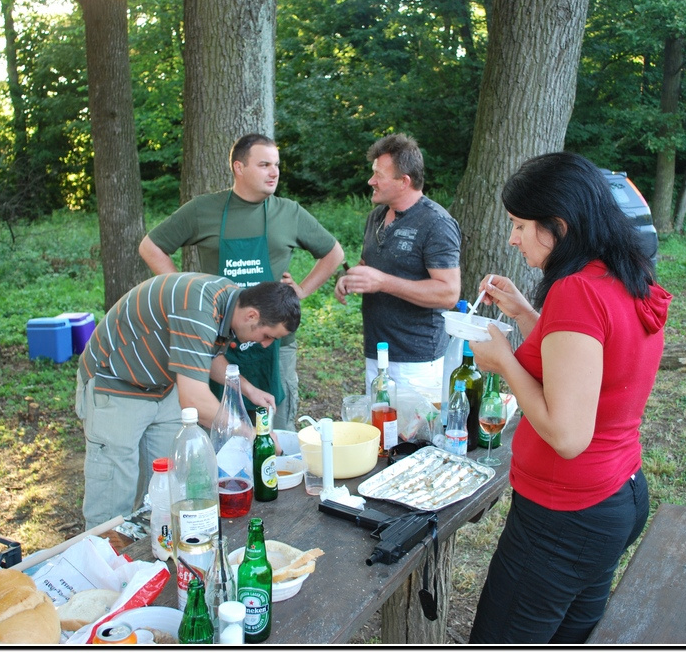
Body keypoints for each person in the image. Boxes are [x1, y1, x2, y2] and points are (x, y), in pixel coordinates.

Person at [466, 152, 672, 644]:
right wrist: (522, 312)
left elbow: (567, 435)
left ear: (558, 225)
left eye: (519, 225)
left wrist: (503, 363)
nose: (513, 238)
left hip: (566, 517)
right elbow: (584, 360)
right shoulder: (619, 273)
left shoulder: (577, 290)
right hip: (615, 494)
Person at [139, 134, 343, 430]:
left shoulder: (289, 213)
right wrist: (182, 289)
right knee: (218, 427)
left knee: (275, 423)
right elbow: (150, 247)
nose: (274, 172)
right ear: (239, 167)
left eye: (276, 165)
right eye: (264, 164)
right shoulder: (203, 209)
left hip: (275, 343)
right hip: (215, 341)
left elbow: (333, 253)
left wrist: (301, 292)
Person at [75, 275, 300, 530]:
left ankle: (153, 555)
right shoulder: (197, 308)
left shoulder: (229, 303)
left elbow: (205, 355)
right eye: (268, 335)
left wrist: (248, 390)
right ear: (251, 316)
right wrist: (254, 435)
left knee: (167, 491)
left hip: (162, 386)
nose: (266, 344)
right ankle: (105, 561)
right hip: (116, 384)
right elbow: (194, 401)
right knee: (113, 500)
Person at [334, 133, 460, 401]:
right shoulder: (376, 216)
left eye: (378, 175)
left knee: (413, 441)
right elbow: (371, 265)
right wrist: (351, 278)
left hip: (417, 362)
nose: (371, 181)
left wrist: (382, 282)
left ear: (404, 181)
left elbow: (449, 293)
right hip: (377, 353)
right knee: (381, 436)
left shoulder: (436, 223)